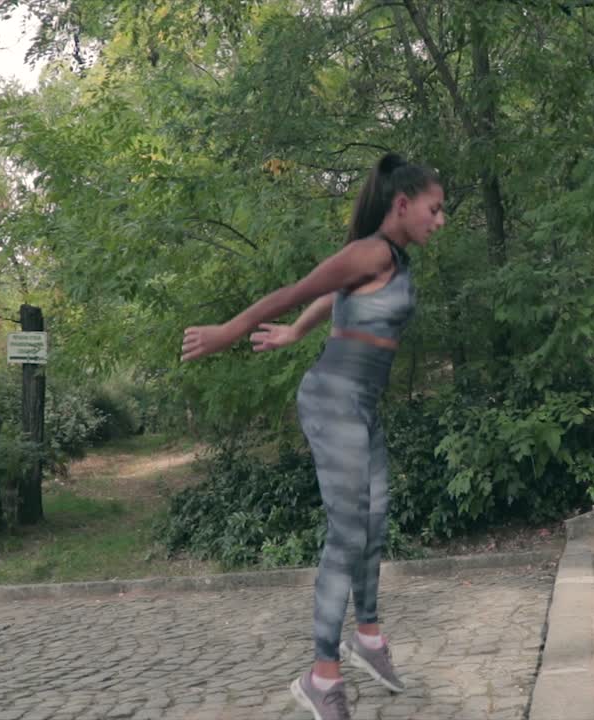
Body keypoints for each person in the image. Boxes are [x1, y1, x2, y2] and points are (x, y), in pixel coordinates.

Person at [180, 153, 446, 719]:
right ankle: (322, 675)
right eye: (435, 208)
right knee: (348, 533)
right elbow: (300, 288)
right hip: (332, 402)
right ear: (402, 205)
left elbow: (334, 297)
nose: (439, 219)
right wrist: (231, 331)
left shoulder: (390, 260)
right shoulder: (372, 250)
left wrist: (297, 332)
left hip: (362, 408)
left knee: (375, 521)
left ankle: (368, 637)